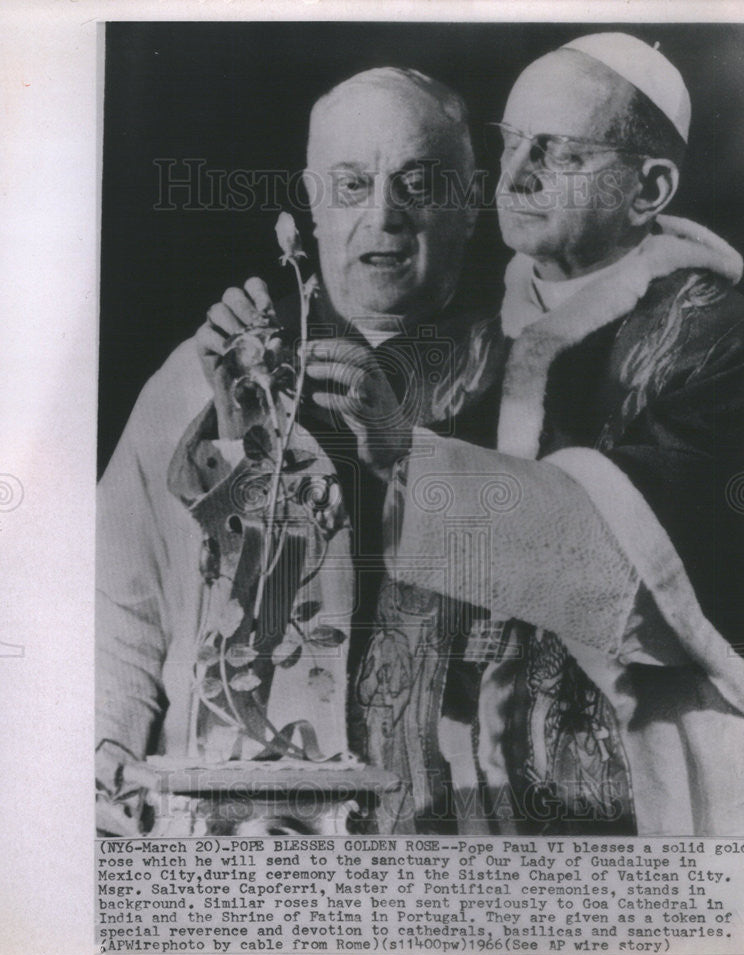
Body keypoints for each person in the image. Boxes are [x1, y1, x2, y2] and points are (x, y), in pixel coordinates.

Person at [323, 35, 744, 836]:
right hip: (447, 808)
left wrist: (409, 459)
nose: (515, 176)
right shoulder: (453, 351)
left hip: (642, 809)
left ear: (648, 186)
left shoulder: (726, 345)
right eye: (511, 143)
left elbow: (654, 572)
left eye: (557, 153)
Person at [95, 67, 508, 834]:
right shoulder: (199, 374)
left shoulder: (526, 382)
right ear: (311, 203)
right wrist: (102, 776)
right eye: (351, 185)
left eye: (418, 185)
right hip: (236, 833)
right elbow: (117, 613)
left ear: (468, 202)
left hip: (452, 831)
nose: (383, 218)